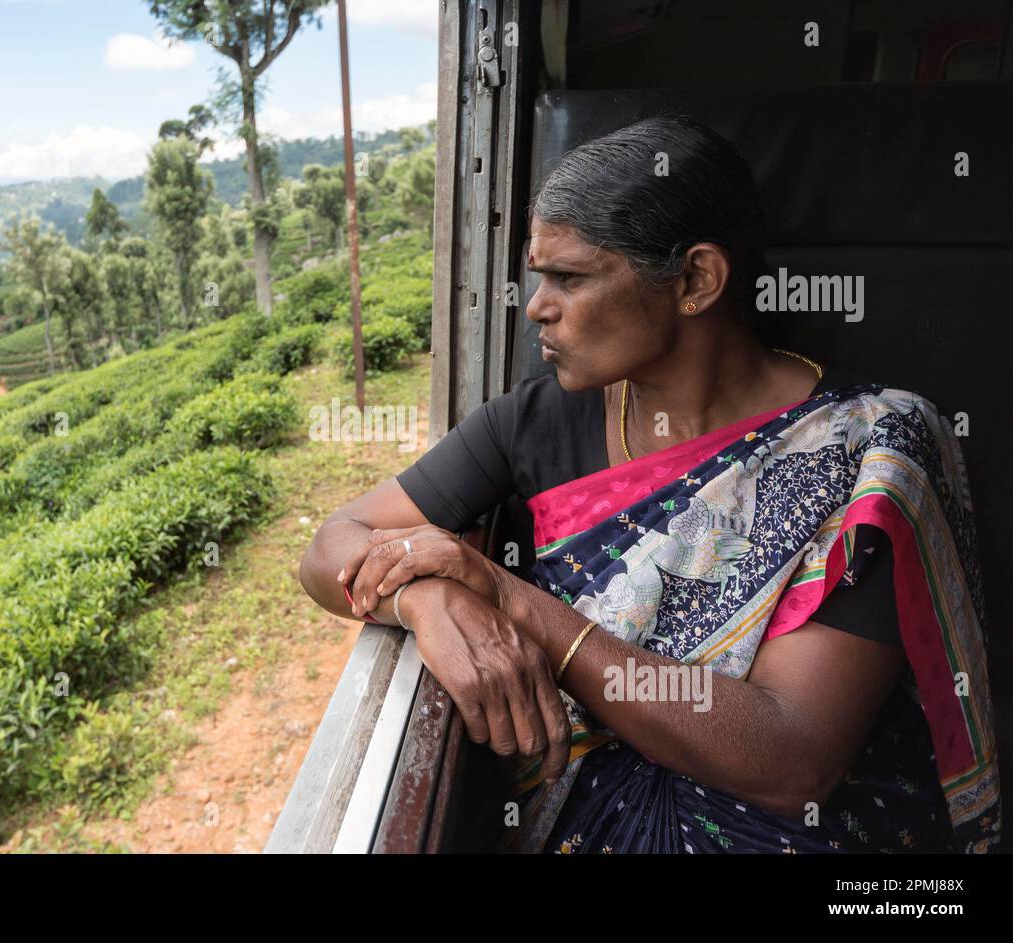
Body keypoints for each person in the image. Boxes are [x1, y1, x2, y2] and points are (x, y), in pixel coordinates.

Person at [298, 115, 998, 853]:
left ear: (695, 279)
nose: (536, 304)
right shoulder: (535, 421)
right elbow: (330, 545)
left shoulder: (869, 449)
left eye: (568, 277)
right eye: (539, 276)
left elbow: (793, 756)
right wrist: (423, 594)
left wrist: (509, 597)